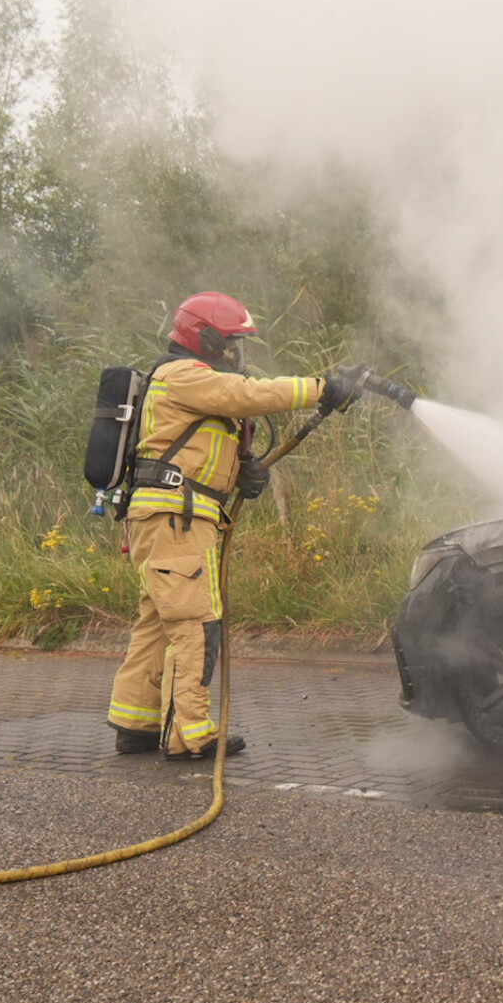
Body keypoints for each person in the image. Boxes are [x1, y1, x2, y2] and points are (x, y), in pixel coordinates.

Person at [104, 292, 356, 759]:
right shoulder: (182, 375)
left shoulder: (194, 383)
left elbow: (206, 442)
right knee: (195, 623)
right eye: (231, 341)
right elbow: (248, 395)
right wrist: (322, 387)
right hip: (175, 517)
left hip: (172, 516)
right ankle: (190, 734)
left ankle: (135, 722)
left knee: (159, 624)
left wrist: (243, 472)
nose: (236, 352)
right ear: (204, 337)